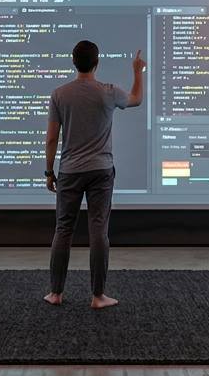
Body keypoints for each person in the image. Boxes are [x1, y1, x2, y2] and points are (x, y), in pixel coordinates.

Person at [43, 40, 145, 309]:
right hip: (101, 170)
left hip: (69, 171)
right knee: (99, 231)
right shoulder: (108, 92)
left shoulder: (59, 94)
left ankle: (55, 293)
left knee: (63, 230)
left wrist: (49, 172)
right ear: (97, 63)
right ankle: (98, 296)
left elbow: (52, 139)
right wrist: (137, 71)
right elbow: (136, 100)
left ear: (73, 62)